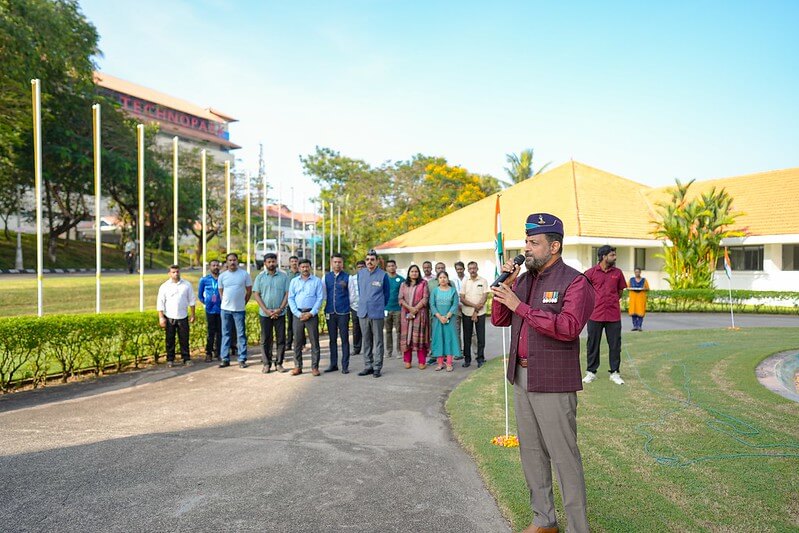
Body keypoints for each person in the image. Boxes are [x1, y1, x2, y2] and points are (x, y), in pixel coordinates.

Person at [491, 212, 595, 533]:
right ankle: (544, 520)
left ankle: (578, 527)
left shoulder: (575, 282)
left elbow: (567, 327)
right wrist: (505, 285)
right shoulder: (523, 280)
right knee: (532, 453)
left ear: (554, 246)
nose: (527, 248)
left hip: (553, 382)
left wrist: (519, 306)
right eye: (526, 241)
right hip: (522, 377)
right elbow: (499, 319)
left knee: (563, 456)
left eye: (534, 243)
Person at [583, 245, 627, 386]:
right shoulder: (590, 273)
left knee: (615, 345)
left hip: (613, 315)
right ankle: (591, 372)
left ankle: (615, 373)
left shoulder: (618, 273)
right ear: (603, 257)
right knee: (592, 344)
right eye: (612, 255)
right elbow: (584, 291)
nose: (615, 257)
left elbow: (620, 292)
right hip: (595, 314)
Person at [252, 253, 289, 373]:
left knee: (281, 339)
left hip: (280, 313)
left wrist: (280, 309)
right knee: (265, 339)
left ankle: (279, 363)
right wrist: (266, 310)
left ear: (276, 262)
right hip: (265, 314)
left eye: (273, 261)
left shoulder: (283, 277)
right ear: (265, 263)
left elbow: (287, 294)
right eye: (269, 262)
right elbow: (256, 294)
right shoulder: (260, 277)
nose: (271, 264)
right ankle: (266, 363)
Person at [288, 258, 324, 376]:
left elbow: (320, 298)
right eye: (302, 267)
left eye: (307, 266)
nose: (305, 269)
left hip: (311, 315)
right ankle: (298, 366)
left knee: (314, 341)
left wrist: (311, 313)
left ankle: (315, 367)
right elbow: (291, 298)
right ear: (299, 268)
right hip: (298, 314)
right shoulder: (294, 281)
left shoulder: (317, 281)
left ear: (310, 267)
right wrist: (298, 314)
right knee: (297, 342)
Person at [357, 250, 390, 378]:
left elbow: (386, 294)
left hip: (377, 312)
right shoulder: (361, 274)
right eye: (367, 259)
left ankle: (377, 367)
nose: (369, 262)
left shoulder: (383, 275)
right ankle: (368, 366)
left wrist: (379, 305)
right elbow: (360, 291)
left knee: (378, 341)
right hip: (363, 312)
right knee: (366, 340)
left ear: (376, 261)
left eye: (372, 259)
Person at [156, 265, 196, 368]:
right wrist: (161, 317)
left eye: (177, 272)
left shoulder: (186, 285)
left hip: (182, 316)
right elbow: (160, 303)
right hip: (169, 317)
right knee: (170, 340)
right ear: (169, 274)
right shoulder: (164, 286)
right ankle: (170, 359)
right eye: (173, 272)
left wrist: (192, 314)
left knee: (184, 339)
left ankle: (186, 358)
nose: (176, 274)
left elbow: (192, 300)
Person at [218, 253, 252, 369]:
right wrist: (226, 303)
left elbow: (248, 291)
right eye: (230, 260)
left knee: (241, 335)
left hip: (239, 310)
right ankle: (224, 358)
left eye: (234, 260)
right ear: (226, 262)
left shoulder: (244, 274)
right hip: (225, 310)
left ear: (237, 261)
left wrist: (243, 303)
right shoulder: (222, 276)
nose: (232, 262)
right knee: (225, 334)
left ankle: (242, 359)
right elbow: (221, 292)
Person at [323, 253, 351, 374]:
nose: (337, 264)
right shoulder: (325, 277)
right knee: (332, 339)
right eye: (335, 262)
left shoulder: (348, 277)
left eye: (339, 262)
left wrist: (350, 308)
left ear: (342, 263)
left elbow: (352, 295)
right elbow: (323, 294)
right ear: (331, 263)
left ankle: (345, 365)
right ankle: (333, 364)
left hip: (343, 312)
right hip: (330, 311)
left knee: (344, 339)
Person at [398, 264, 430, 369]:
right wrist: (410, 308)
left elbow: (425, 298)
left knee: (419, 337)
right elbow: (401, 299)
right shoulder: (403, 284)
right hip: (406, 315)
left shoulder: (423, 283)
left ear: (418, 273)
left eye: (416, 271)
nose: (414, 273)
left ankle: (422, 361)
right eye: (412, 271)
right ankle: (407, 361)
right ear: (409, 273)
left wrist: (415, 309)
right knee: (407, 337)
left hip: (420, 314)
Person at [198, 259, 230, 362]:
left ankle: (219, 352)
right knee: (211, 332)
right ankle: (209, 353)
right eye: (213, 265)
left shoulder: (224, 278)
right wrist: (207, 303)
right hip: (210, 310)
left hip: (222, 309)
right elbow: (200, 295)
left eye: (217, 265)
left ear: (219, 267)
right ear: (210, 267)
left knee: (221, 332)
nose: (215, 267)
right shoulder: (204, 280)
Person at [459, 261, 489, 368]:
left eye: (474, 268)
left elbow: (485, 297)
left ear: (477, 268)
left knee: (481, 337)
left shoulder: (483, 281)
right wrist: (474, 307)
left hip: (480, 313)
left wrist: (476, 312)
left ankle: (480, 358)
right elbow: (462, 298)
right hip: (467, 313)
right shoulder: (465, 281)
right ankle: (467, 359)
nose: (472, 270)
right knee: (467, 337)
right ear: (468, 270)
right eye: (470, 268)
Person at [429, 271, 460, 372]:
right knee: (439, 339)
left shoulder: (453, 291)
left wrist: (447, 317)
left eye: (444, 277)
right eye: (440, 277)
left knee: (449, 339)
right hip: (438, 320)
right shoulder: (435, 291)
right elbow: (432, 305)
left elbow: (455, 305)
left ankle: (449, 363)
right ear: (438, 279)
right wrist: (439, 317)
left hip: (450, 320)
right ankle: (440, 363)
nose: (443, 279)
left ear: (448, 279)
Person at [426, 261, 447, 365]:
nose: (440, 270)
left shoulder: (450, 282)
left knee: (445, 335)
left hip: (447, 314)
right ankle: (434, 355)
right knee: (434, 336)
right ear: (435, 270)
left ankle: (446, 356)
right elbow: (428, 298)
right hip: (434, 314)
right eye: (438, 268)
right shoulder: (430, 283)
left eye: (442, 268)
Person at [384, 259, 405, 359]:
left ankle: (399, 351)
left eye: (393, 265)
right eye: (389, 266)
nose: (391, 267)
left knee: (399, 331)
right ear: (386, 268)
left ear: (396, 267)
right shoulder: (383, 279)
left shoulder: (401, 279)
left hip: (398, 309)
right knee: (387, 331)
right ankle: (388, 351)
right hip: (386, 308)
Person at [349, 260, 366, 355]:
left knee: (367, 328)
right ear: (356, 268)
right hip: (355, 307)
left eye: (362, 267)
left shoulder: (369, 278)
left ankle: (368, 348)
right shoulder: (352, 278)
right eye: (359, 267)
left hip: (366, 307)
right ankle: (356, 348)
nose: (361, 269)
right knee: (356, 328)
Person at [452, 261, 466, 360]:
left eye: (461, 269)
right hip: (456, 309)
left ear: (464, 269)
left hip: (468, 307)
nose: (459, 271)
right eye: (458, 269)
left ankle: (473, 352)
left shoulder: (468, 279)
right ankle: (458, 352)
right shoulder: (452, 280)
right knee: (457, 331)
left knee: (471, 332)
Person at [285, 255, 300, 349]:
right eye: (292, 261)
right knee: (290, 324)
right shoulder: (286, 274)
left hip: (300, 303)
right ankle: (289, 344)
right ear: (289, 263)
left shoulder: (301, 273)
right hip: (289, 303)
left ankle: (301, 344)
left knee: (301, 325)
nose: (294, 263)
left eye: (295, 261)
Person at [628, 267, 649, 331]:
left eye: (638, 272)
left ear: (640, 272)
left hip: (641, 298)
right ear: (634, 273)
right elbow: (628, 287)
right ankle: (635, 326)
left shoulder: (644, 280)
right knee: (633, 313)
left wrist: (643, 289)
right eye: (636, 272)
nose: (637, 273)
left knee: (640, 312)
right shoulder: (631, 280)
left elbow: (647, 288)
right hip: (633, 299)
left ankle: (639, 326)